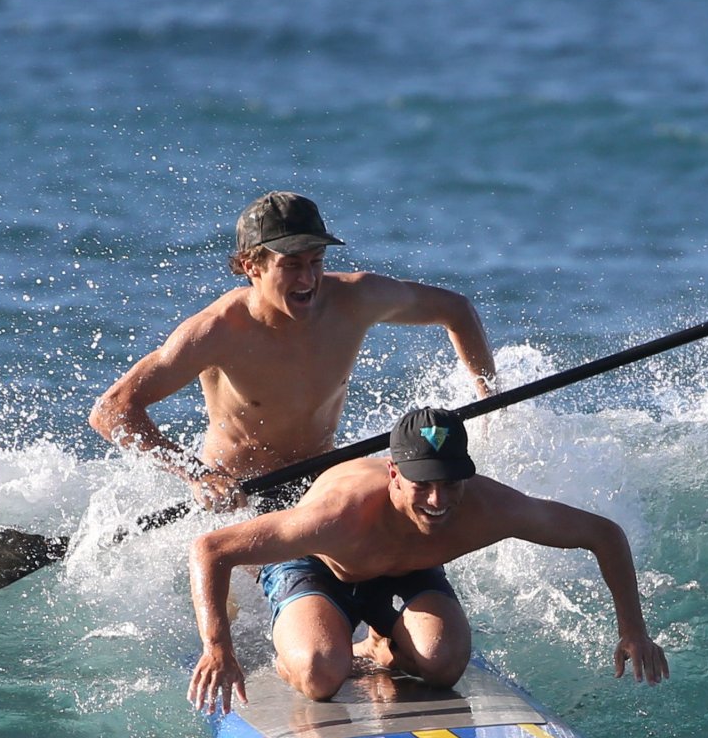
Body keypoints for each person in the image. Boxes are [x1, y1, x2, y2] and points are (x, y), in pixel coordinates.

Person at [187, 407, 670, 712]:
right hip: (318, 567)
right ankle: (294, 650)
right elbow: (211, 549)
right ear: (393, 474)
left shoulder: (491, 507)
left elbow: (603, 534)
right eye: (423, 485)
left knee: (445, 664)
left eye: (450, 483)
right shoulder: (337, 513)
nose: (438, 501)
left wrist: (633, 630)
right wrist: (217, 647)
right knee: (320, 673)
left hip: (406, 571)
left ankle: (375, 646)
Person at [90, 191, 496, 512]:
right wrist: (198, 476)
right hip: (242, 498)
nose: (308, 279)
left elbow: (456, 310)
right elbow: (112, 410)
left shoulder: (356, 299)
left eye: (316, 261)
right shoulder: (217, 330)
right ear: (251, 265)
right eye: (291, 265)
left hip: (323, 480)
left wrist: (490, 402)